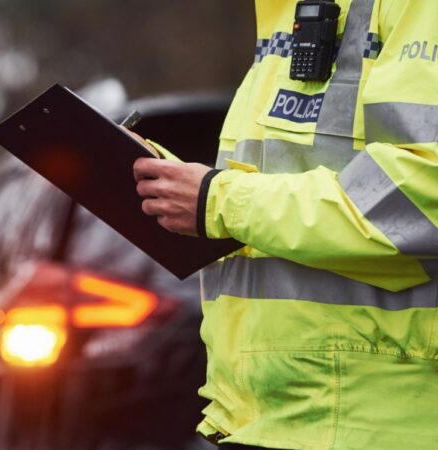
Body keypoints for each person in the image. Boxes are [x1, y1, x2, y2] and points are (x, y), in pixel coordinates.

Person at [132, 1, 438, 449]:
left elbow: (420, 196)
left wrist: (216, 200)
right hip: (264, 414)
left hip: (372, 418)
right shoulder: (281, 14)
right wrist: (182, 189)